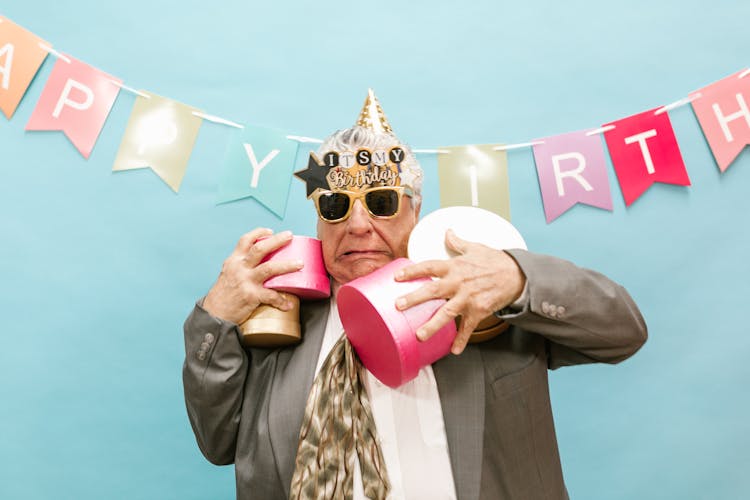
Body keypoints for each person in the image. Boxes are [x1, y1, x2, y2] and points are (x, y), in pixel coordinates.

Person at [182, 90, 647, 500]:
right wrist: (216, 316)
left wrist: (518, 278)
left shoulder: (482, 298)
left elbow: (624, 332)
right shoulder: (277, 312)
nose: (359, 226)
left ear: (416, 208)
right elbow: (219, 443)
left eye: (381, 202)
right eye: (336, 205)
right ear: (318, 219)